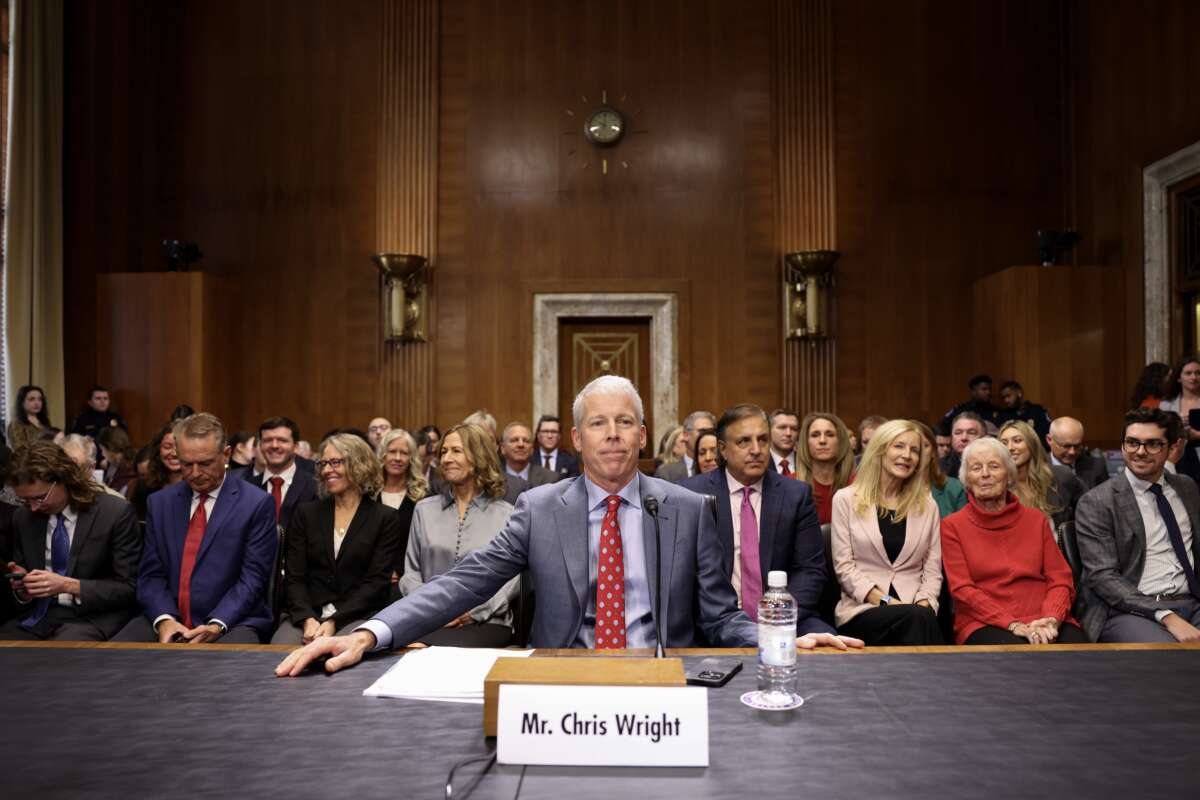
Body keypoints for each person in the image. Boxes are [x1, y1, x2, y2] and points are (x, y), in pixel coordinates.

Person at [277, 376, 858, 677]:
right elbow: (463, 581)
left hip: (659, 685)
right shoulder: (539, 508)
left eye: (624, 422)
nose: (612, 434)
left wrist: (780, 636)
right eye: (598, 423)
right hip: (558, 680)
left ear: (641, 434)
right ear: (577, 439)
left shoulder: (684, 508)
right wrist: (369, 633)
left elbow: (719, 614)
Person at [680, 405, 845, 637]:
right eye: (744, 441)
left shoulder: (795, 495)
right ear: (723, 450)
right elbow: (684, 575)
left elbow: (811, 570)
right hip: (714, 623)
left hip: (786, 618)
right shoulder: (691, 495)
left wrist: (775, 617)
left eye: (763, 440)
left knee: (833, 649)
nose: (756, 450)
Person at [116, 413, 277, 644]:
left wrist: (217, 623)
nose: (194, 473)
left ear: (226, 455)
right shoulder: (160, 503)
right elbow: (151, 574)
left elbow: (252, 578)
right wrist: (164, 618)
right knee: (113, 657)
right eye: (186, 464)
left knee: (232, 667)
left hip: (232, 621)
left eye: (205, 463)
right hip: (168, 618)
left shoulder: (256, 503)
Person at [940, 438, 1087, 645]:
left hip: (1044, 616)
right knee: (1017, 656)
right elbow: (962, 589)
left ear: (1009, 475)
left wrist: (1051, 618)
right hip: (984, 622)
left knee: (1080, 653)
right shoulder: (952, 526)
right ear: (966, 479)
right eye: (975, 468)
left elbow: (1060, 579)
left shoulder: (1037, 520)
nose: (985, 474)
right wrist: (1013, 625)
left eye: (994, 466)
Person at [1075, 408, 1200, 643]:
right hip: (1128, 610)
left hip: (1192, 602)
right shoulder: (1097, 502)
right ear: (1122, 446)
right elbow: (1103, 577)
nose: (1140, 452)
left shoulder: (1186, 488)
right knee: (1171, 656)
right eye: (1132, 443)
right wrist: (1167, 616)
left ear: (1171, 448)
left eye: (1152, 444)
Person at [1, 442, 141, 641]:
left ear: (64, 480)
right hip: (39, 615)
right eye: (25, 501)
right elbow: (23, 591)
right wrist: (24, 589)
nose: (33, 508)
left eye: (40, 498)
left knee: (64, 652)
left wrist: (68, 585)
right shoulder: (23, 518)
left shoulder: (114, 513)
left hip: (93, 616)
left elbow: (129, 589)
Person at [271, 434, 402, 645]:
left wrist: (333, 621)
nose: (326, 470)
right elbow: (295, 577)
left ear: (359, 464)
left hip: (357, 616)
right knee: (279, 651)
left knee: (339, 656)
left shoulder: (385, 518)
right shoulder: (306, 514)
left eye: (336, 462)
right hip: (306, 616)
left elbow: (376, 583)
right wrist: (307, 618)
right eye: (323, 463)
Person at [399, 424, 519, 647]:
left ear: (478, 456)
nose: (446, 459)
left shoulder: (507, 514)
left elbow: (512, 581)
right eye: (443, 452)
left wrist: (473, 612)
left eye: (456, 451)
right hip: (427, 620)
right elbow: (411, 573)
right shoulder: (423, 510)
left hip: (486, 622)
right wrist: (431, 609)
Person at [831, 419, 943, 645]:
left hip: (916, 611)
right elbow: (845, 568)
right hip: (864, 610)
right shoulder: (846, 499)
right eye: (899, 446)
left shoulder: (928, 505)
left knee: (918, 619)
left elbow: (932, 570)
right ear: (880, 450)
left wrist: (923, 604)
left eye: (914, 450)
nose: (907, 455)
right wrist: (888, 602)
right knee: (916, 620)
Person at [999, 420, 1083, 528]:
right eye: (1004, 443)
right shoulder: (997, 484)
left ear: (1032, 443)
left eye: (1017, 440)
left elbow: (1086, 513)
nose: (1010, 447)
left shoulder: (1061, 475)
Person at [243, 417, 319, 530]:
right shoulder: (246, 489)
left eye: (282, 440)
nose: (274, 445)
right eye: (267, 440)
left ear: (295, 447)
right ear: (260, 446)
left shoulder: (315, 487)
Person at [376, 428, 428, 588]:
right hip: (368, 579)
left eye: (404, 453)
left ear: (411, 458)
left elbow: (422, 544)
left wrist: (398, 569)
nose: (397, 458)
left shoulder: (422, 497)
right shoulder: (369, 494)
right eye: (392, 451)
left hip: (407, 582)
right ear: (383, 455)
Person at [794, 412, 856, 525]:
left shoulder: (857, 484)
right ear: (806, 443)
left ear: (840, 441)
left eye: (830, 434)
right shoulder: (790, 484)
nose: (822, 440)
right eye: (815, 435)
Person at [130, 424, 184, 521]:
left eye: (180, 447)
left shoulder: (198, 486)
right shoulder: (144, 487)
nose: (174, 453)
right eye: (167, 447)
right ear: (158, 450)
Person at [915, 421, 967, 518]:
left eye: (925, 445)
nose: (919, 451)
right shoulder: (890, 490)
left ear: (933, 452)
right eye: (915, 447)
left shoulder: (954, 488)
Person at [1160, 354, 1200, 476]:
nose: (1194, 377)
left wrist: (1197, 435)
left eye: (1198, 373)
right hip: (1176, 461)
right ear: (1179, 378)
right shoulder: (1166, 405)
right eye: (1188, 373)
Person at [1046, 416, 1110, 490]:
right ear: (1049, 440)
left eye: (1077, 446)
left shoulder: (1097, 466)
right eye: (1066, 446)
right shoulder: (1036, 467)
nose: (1072, 452)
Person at [654, 410, 715, 481]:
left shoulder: (725, 469)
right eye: (702, 431)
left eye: (711, 432)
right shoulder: (666, 473)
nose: (706, 436)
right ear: (686, 435)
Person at [61, 435, 125, 500]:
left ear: (92, 467)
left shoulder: (112, 501)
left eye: (76, 469)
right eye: (63, 467)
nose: (68, 474)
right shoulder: (55, 493)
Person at [500, 422, 559, 486]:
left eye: (526, 441)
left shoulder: (550, 479)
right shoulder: (493, 477)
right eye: (514, 440)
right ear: (503, 448)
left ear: (532, 449)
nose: (521, 444)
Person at [938, 411, 985, 479]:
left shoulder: (995, 464)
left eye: (971, 433)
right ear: (952, 437)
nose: (964, 438)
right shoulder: (938, 467)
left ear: (983, 437)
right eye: (958, 433)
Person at [97, 426, 137, 497]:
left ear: (111, 448)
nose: (102, 454)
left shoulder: (128, 472)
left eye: (103, 449)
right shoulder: (114, 463)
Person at [8, 385, 52, 451]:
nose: (37, 403)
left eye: (40, 399)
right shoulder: (16, 424)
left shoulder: (44, 421)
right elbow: (20, 450)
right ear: (22, 402)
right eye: (32, 399)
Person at [767, 408, 800, 476]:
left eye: (794, 429)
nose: (788, 433)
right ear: (769, 430)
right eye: (782, 427)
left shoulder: (806, 463)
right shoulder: (760, 462)